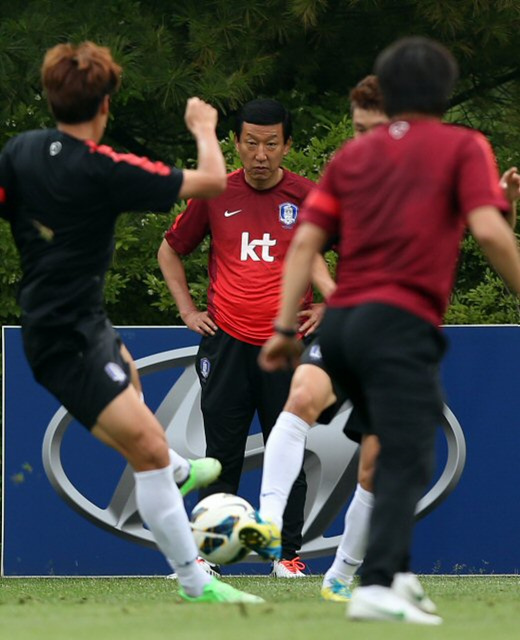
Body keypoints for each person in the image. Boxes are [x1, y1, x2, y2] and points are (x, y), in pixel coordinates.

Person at [253, 36, 520, 623]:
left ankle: (369, 577)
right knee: (408, 453)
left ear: (389, 91)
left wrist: (280, 326)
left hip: (346, 323)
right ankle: (377, 580)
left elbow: (305, 242)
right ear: (448, 93)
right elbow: (491, 236)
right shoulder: (461, 145)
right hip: (399, 324)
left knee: (385, 453)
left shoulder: (353, 159)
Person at [0, 40, 264, 604]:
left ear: (50, 99)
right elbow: (215, 182)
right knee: (146, 449)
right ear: (105, 107)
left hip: (81, 327)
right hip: (65, 340)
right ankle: (194, 580)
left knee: (140, 408)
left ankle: (173, 470)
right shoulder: (106, 169)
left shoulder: (19, 151)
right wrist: (203, 126)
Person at [158, 98, 328, 577]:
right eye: (250, 143)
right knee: (221, 456)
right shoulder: (215, 193)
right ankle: (207, 560)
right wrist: (188, 310)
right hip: (227, 344)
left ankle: (286, 556)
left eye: (271, 144)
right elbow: (170, 251)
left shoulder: (307, 196)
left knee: (286, 450)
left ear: (287, 145)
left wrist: (328, 304)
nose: (260, 154)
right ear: (235, 143)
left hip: (287, 345)